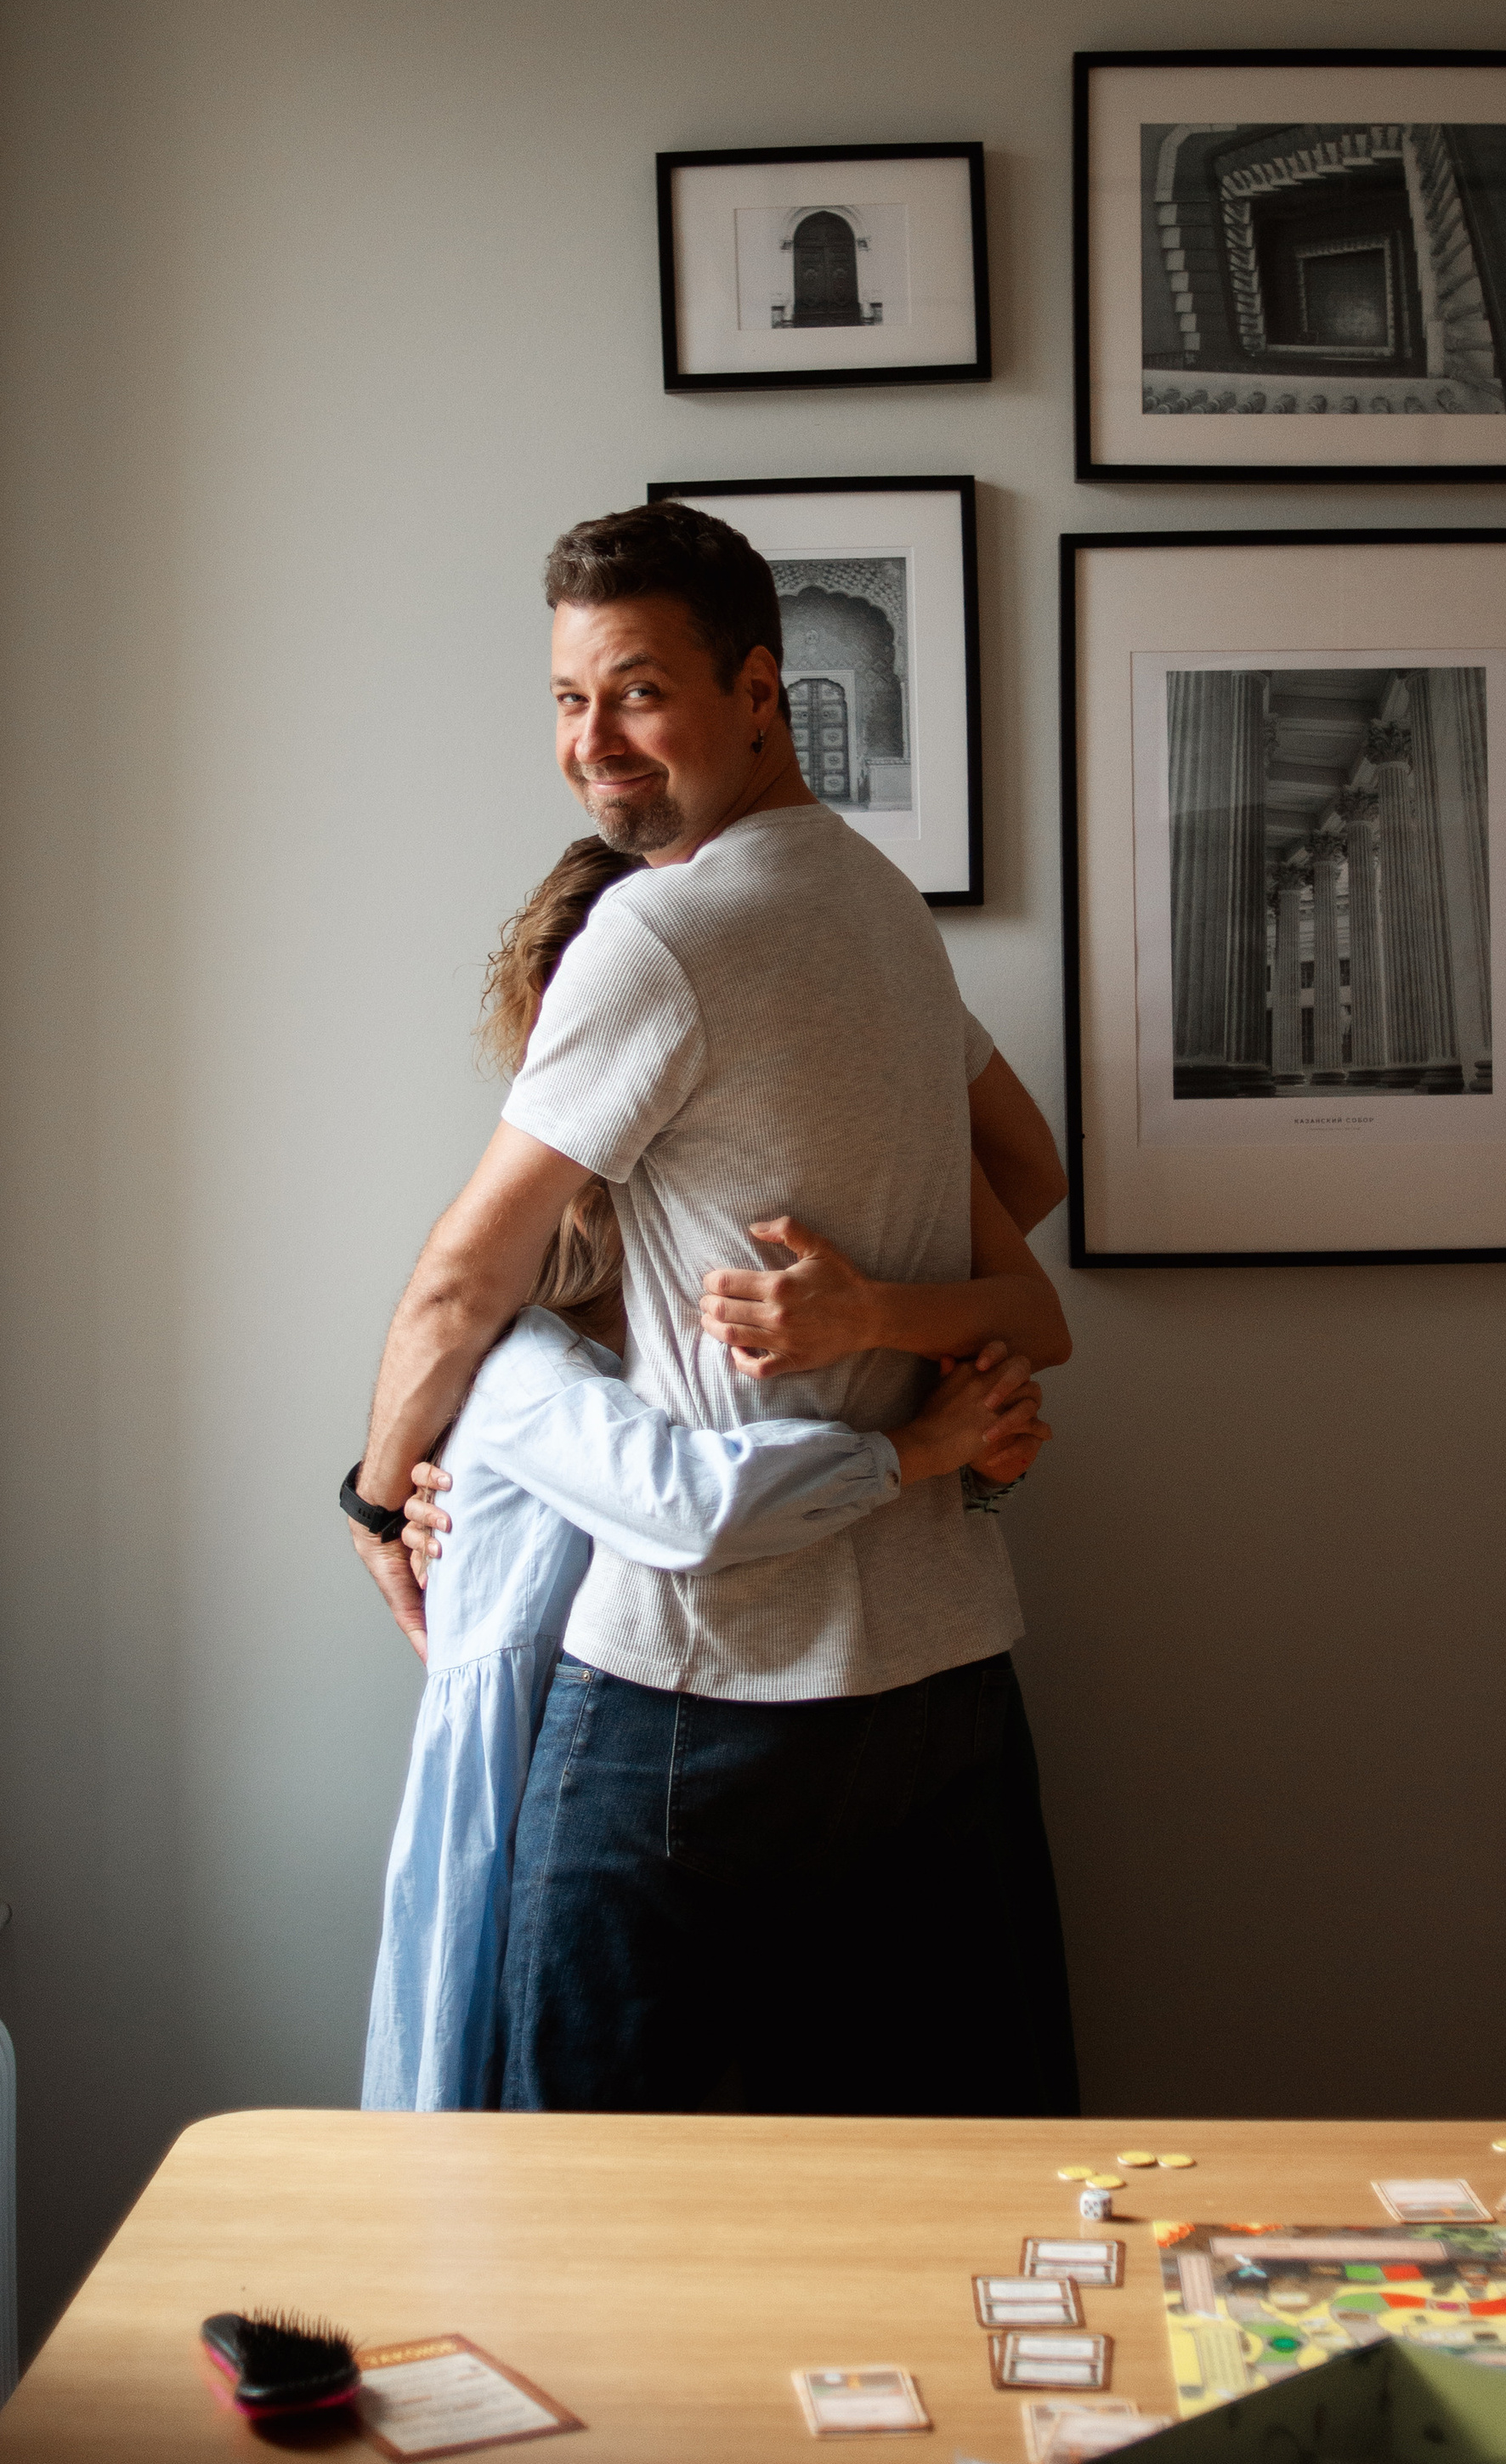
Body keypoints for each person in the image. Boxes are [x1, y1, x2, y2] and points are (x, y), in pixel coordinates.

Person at [343, 499, 1076, 2113]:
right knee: (945, 2194)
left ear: (761, 692)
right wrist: (864, 1296)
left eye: (638, 691)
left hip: (708, 1686)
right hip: (945, 1675)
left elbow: (469, 1272)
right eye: (565, 699)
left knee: (585, 2192)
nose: (592, 742)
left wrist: (376, 1492)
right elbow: (1027, 1166)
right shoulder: (883, 909)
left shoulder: (659, 930)